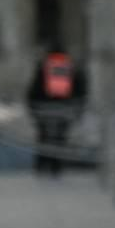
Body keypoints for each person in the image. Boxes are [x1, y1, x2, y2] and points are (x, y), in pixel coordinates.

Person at [26, 45, 87, 178]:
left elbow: (33, 90)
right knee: (60, 139)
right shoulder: (70, 67)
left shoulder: (44, 67)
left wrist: (32, 109)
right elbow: (80, 89)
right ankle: (56, 167)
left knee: (43, 138)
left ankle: (42, 165)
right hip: (64, 109)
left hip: (44, 109)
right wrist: (77, 110)